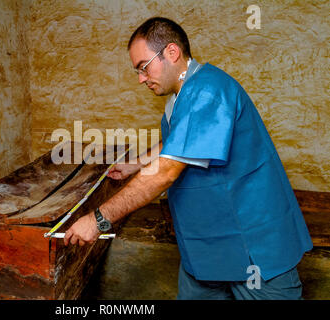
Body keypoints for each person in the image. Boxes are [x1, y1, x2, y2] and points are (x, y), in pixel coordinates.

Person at [63, 17, 313, 300]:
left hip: (252, 248)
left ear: (171, 52)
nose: (141, 79)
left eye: (143, 67)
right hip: (206, 250)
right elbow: (179, 142)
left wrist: (98, 220)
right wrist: (136, 163)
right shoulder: (182, 96)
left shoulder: (208, 91)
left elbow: (166, 172)